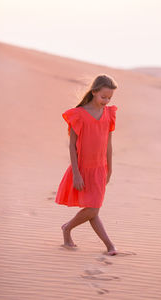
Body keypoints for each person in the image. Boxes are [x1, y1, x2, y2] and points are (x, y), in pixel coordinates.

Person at [55, 74, 118, 255]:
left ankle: (69, 229)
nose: (106, 101)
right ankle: (108, 245)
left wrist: (110, 169)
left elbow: (109, 144)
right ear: (94, 92)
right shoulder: (79, 114)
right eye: (103, 97)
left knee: (93, 208)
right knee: (93, 208)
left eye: (109, 98)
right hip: (82, 169)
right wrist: (76, 173)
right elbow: (72, 147)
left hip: (100, 168)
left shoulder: (109, 113)